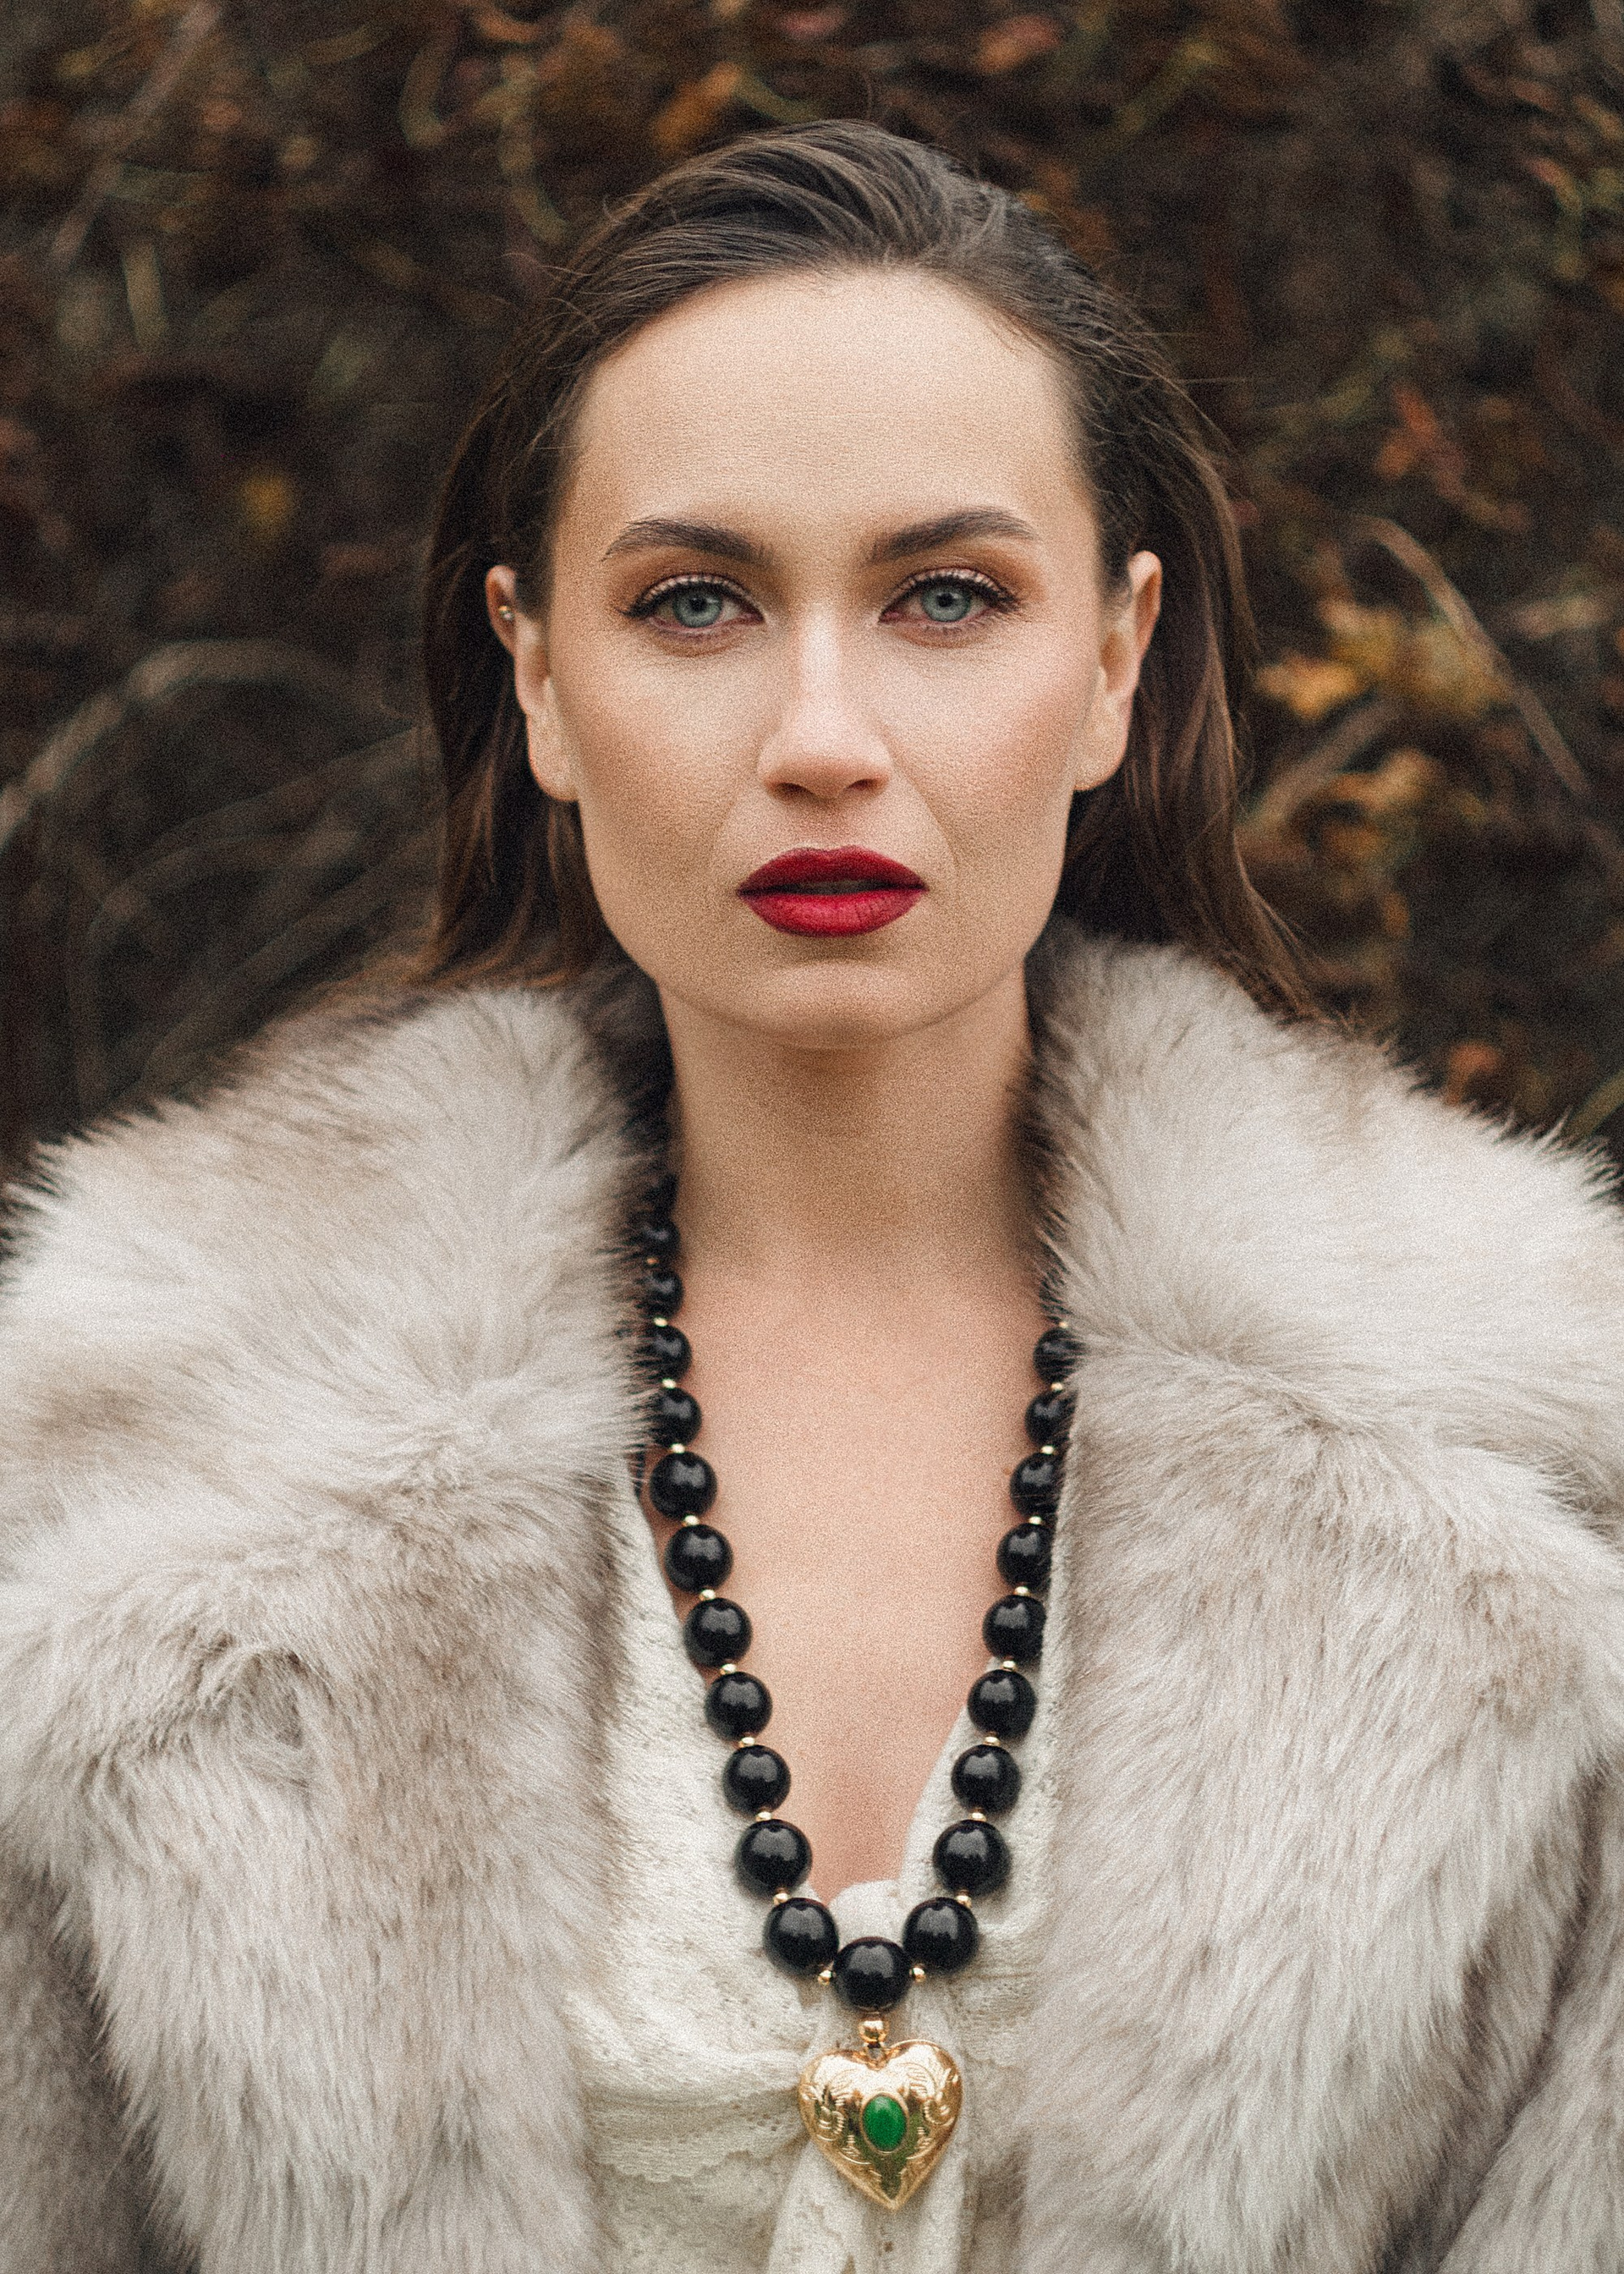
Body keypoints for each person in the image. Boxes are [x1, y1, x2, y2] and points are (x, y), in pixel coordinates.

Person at [2, 121, 1621, 2274]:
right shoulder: (130, 1470)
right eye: (697, 603)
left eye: (948, 597)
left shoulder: (1534, 1472)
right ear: (538, 676)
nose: (823, 735)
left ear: (1117, 661)